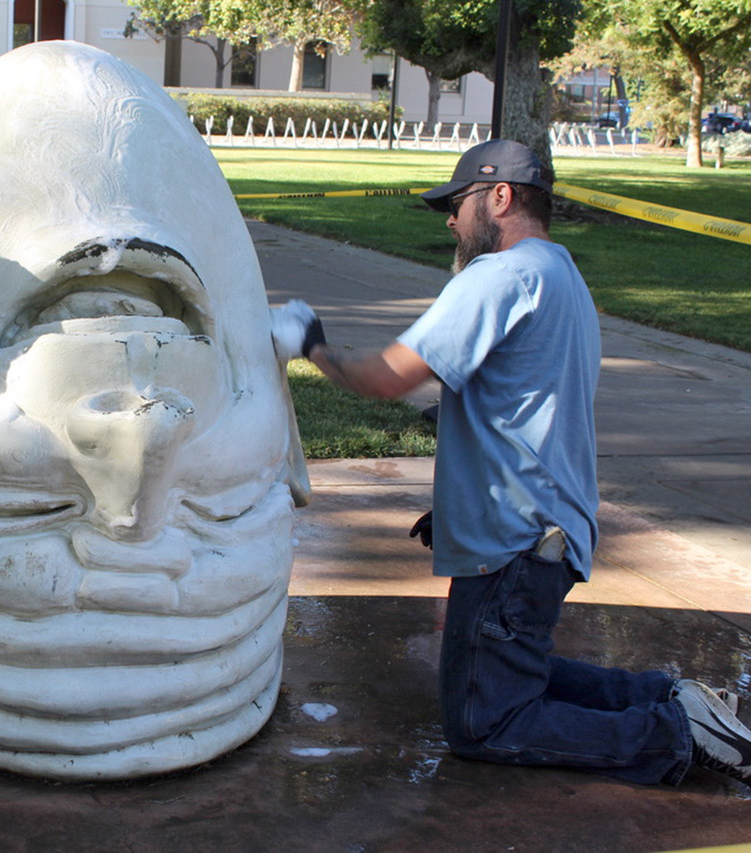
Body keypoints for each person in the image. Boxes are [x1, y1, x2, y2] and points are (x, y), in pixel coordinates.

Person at [272, 138, 751, 785]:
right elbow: (519, 407)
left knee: (483, 721)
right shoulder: (561, 274)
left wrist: (312, 343)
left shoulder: (502, 276)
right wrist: (457, 502)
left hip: (517, 541)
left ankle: (677, 734)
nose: (449, 219)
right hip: (536, 528)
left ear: (500, 197)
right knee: (494, 668)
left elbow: (388, 377)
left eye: (457, 203)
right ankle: (672, 698)